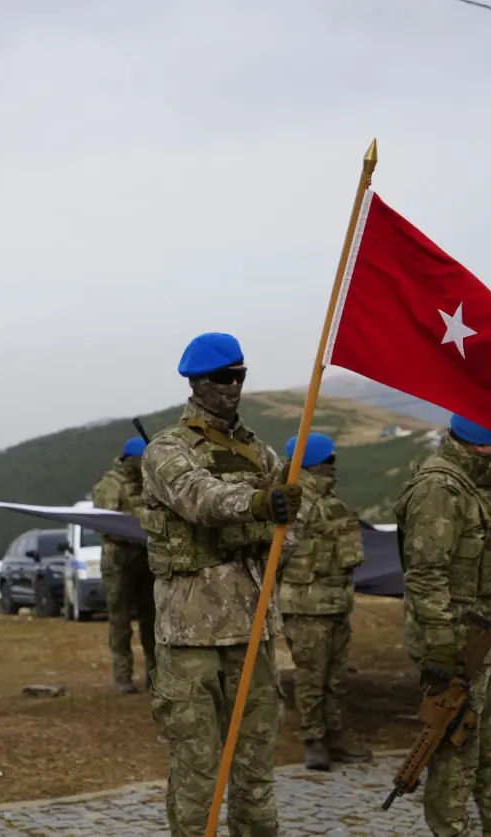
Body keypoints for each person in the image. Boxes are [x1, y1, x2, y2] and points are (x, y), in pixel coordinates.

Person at [139, 331, 302, 837]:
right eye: (222, 378)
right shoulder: (167, 450)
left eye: (239, 376)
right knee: (197, 774)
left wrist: (280, 521)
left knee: (255, 771)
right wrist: (258, 505)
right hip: (192, 634)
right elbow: (199, 497)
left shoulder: (258, 452)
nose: (233, 387)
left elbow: (293, 528)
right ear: (197, 383)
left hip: (253, 628)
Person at [393, 414, 491, 837]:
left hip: (486, 643)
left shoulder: (476, 486)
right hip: (456, 649)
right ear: (479, 445)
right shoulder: (440, 489)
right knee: (455, 756)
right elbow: (425, 575)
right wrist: (443, 648)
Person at [277, 432, 372, 771]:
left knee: (335, 677)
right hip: (305, 607)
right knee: (311, 677)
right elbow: (275, 557)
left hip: (335, 604)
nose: (334, 465)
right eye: (331, 459)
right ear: (319, 462)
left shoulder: (329, 501)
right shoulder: (294, 503)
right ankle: (313, 740)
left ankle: (334, 735)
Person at [92, 435, 157, 694]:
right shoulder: (110, 485)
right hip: (118, 560)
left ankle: (155, 673)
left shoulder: (150, 483)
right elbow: (106, 523)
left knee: (151, 618)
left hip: (146, 556)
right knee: (120, 621)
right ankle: (123, 676)